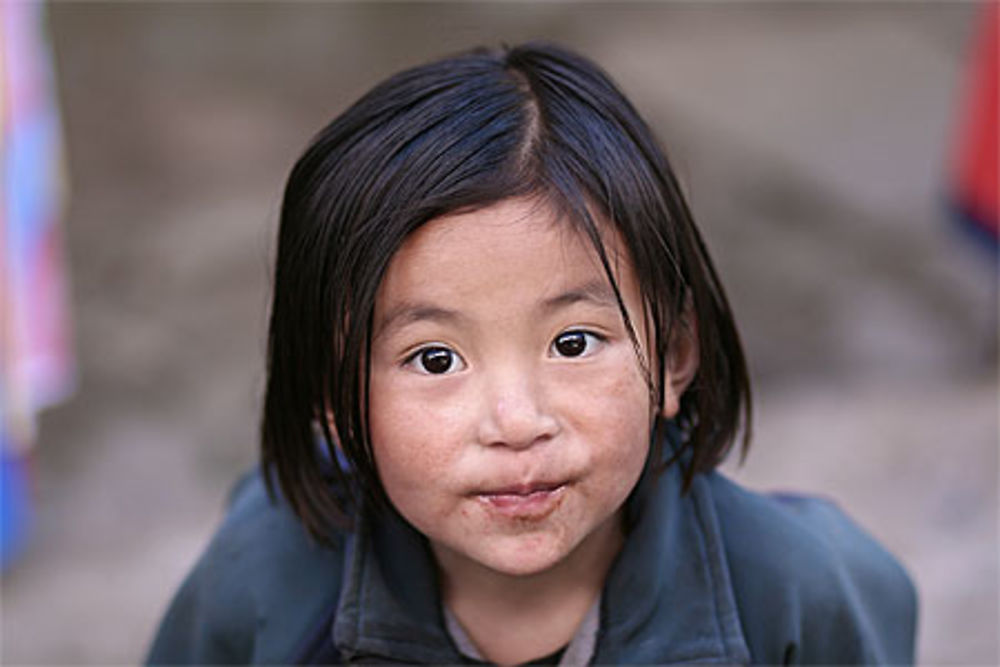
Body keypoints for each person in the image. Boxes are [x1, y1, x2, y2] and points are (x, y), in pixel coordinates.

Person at [146, 43, 917, 665]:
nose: (517, 422)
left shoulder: (793, 593)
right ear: (328, 394)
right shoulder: (267, 579)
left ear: (674, 356)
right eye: (436, 359)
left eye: (572, 343)